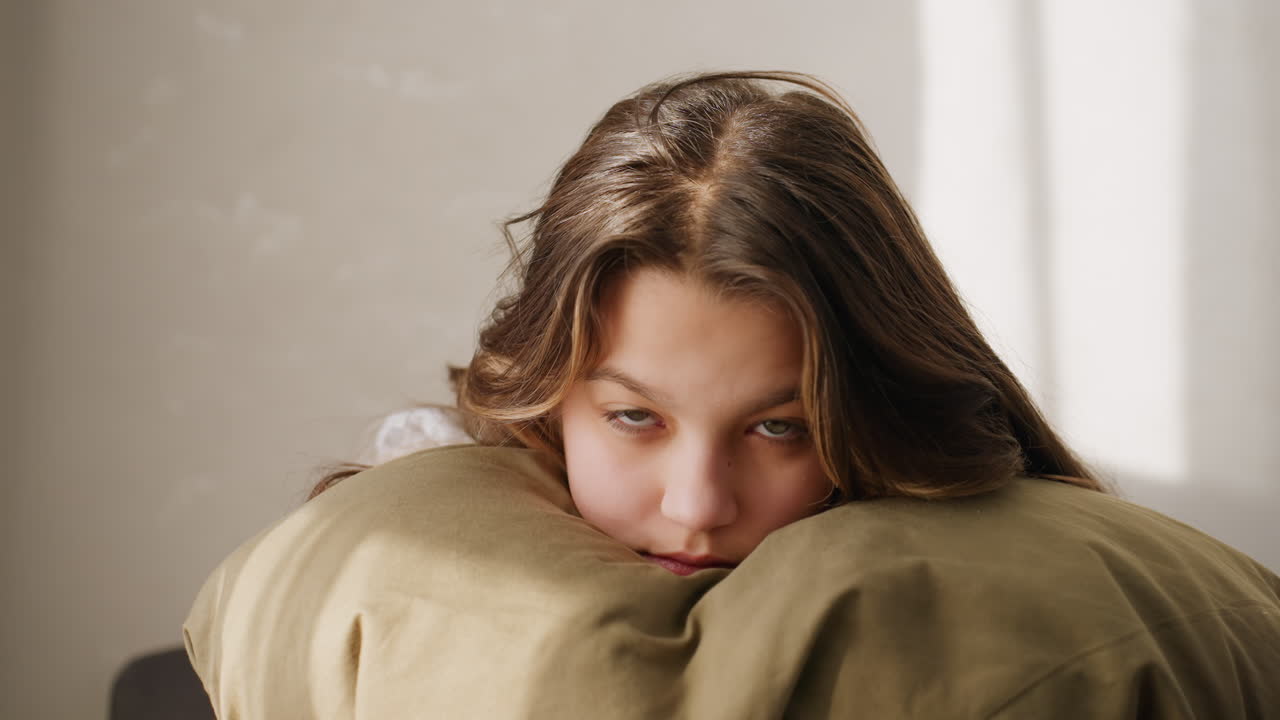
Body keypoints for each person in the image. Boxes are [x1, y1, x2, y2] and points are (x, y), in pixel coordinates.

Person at [305, 69, 1104, 575]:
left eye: (780, 428)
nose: (698, 507)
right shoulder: (418, 538)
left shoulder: (994, 578)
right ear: (550, 391)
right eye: (634, 416)